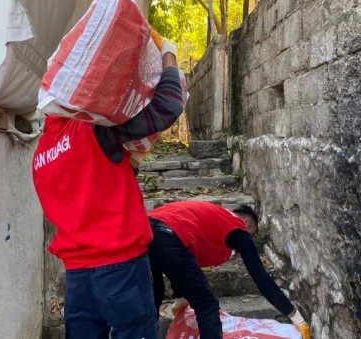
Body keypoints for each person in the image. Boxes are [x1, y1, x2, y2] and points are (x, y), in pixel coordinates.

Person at [32, 36, 184, 339]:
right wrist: (169, 55)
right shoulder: (93, 129)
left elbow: (83, 191)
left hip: (76, 277)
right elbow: (168, 106)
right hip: (121, 269)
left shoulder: (40, 155)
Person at [147, 201, 311, 339]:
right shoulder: (237, 228)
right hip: (167, 236)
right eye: (252, 235)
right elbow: (261, 278)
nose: (249, 240)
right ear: (247, 222)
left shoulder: (210, 217)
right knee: (207, 304)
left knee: (153, 295)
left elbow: (183, 256)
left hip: (146, 230)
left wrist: (180, 297)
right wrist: (295, 317)